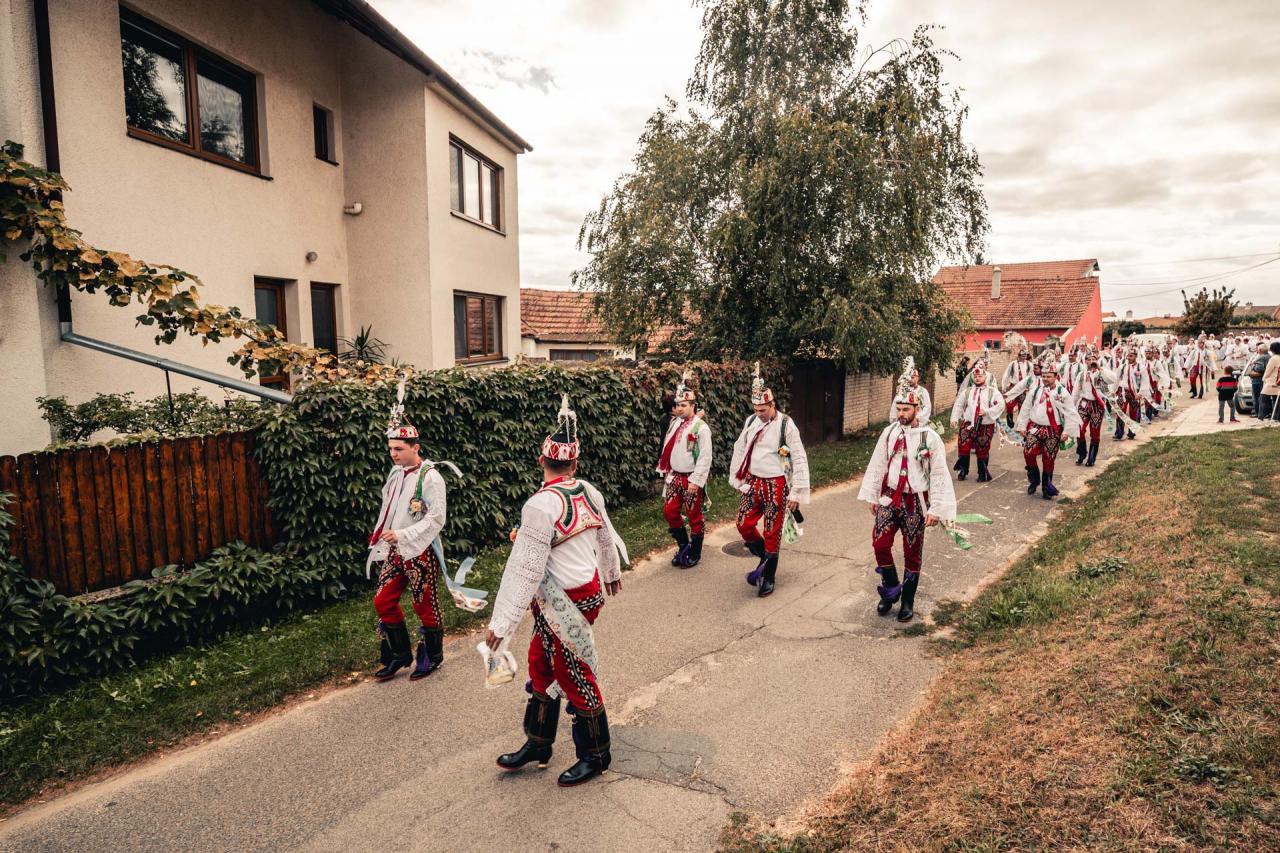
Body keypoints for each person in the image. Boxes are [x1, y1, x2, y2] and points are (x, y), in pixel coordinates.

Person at [489, 394, 626, 787]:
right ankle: (538, 742)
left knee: (573, 671)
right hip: (582, 594)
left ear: (541, 460)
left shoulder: (539, 505)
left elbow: (525, 569)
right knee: (540, 661)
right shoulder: (588, 490)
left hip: (567, 599)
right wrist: (611, 571)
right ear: (575, 464)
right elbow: (605, 535)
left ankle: (597, 753)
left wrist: (502, 623)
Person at [366, 380, 455, 682]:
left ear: (416, 448)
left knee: (424, 603)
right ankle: (399, 654)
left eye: (399, 449)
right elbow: (389, 509)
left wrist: (403, 535)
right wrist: (383, 535)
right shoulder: (396, 474)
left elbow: (436, 519)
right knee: (382, 601)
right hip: (396, 550)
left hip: (420, 551)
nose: (393, 454)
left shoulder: (431, 478)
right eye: (391, 448)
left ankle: (432, 656)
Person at [858, 358, 957, 623]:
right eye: (898, 408)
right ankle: (891, 588)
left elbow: (939, 474)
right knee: (880, 543)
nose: (901, 414)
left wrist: (936, 509)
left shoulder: (929, 438)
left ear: (917, 409)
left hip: (915, 501)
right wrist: (873, 495)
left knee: (912, 551)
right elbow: (878, 463)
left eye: (906, 409)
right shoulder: (889, 432)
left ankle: (908, 600)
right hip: (889, 497)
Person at [730, 362, 811, 597]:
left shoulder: (786, 424)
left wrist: (796, 492)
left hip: (776, 484)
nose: (759, 414)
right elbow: (740, 449)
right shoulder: (751, 422)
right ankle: (764, 558)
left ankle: (769, 576)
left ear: (772, 405)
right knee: (743, 524)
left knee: (772, 532)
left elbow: (799, 457)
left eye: (763, 410)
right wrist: (737, 478)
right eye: (756, 409)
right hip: (754, 482)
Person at [657, 372, 713, 568]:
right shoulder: (675, 423)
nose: (679, 408)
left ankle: (695, 552)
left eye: (683, 405)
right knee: (670, 512)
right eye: (678, 405)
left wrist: (696, 481)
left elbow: (705, 457)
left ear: (692, 406)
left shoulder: (701, 428)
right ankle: (683, 546)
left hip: (691, 479)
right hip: (675, 477)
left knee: (694, 516)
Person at [1016, 356, 1082, 500]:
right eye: (1043, 376)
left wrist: (1066, 431)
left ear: (1055, 376)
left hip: (1053, 429)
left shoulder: (1062, 392)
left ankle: (1047, 487)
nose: (1045, 379)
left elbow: (1070, 412)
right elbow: (1026, 408)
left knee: (1049, 458)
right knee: (1028, 453)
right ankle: (1034, 480)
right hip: (1035, 427)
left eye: (1048, 376)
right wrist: (1022, 425)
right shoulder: (1035, 391)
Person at [950, 352, 1004, 482]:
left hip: (985, 425)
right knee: (963, 446)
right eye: (975, 376)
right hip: (968, 423)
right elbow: (958, 404)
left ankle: (982, 473)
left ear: (985, 376)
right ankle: (963, 470)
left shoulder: (992, 391)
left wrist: (988, 412)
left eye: (980, 376)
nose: (977, 378)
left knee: (982, 450)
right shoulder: (968, 391)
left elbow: (1001, 404)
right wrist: (954, 418)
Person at [1072, 351, 1114, 467]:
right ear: (1085, 361)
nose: (1091, 361)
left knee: (1095, 433)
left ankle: (1091, 458)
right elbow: (1075, 392)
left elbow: (1112, 379)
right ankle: (1081, 453)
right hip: (1084, 404)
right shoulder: (1081, 374)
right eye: (1089, 359)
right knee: (1079, 429)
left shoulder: (1102, 373)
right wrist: (1071, 408)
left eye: (1093, 359)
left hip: (1097, 405)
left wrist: (1100, 368)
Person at [1247, 343, 1271, 419]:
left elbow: (1259, 369)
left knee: (1257, 398)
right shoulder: (1269, 356)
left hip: (1257, 380)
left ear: (1260, 350)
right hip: (1266, 380)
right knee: (1265, 398)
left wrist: (1253, 366)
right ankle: (1266, 413)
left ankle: (1258, 413)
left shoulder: (1261, 357)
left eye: (1257, 349)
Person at [1260, 341, 1280, 422]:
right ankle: (1276, 417)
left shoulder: (1273, 359)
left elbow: (1268, 371)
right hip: (1278, 382)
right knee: (1277, 401)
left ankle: (1262, 416)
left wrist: (1263, 379)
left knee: (1263, 399)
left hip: (1270, 382)